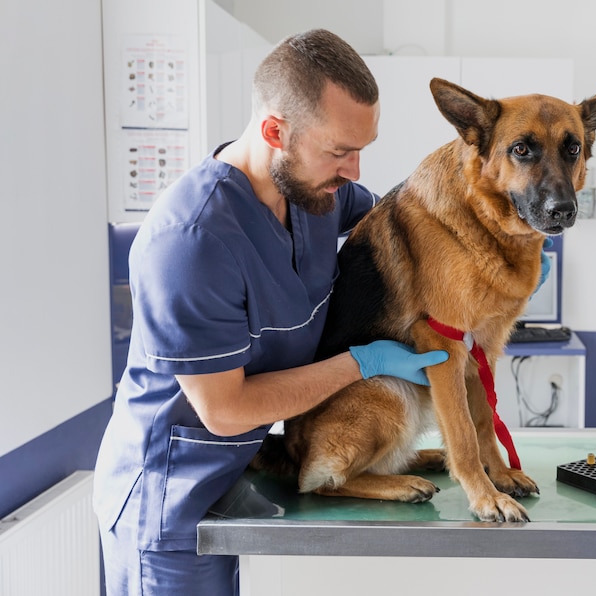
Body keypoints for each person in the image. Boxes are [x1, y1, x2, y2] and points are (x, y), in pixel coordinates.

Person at [93, 29, 450, 596]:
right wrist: (362, 364)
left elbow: (397, 222)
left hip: (244, 476)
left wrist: (493, 258)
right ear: (274, 132)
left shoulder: (315, 196)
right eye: (339, 151)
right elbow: (227, 411)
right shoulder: (189, 242)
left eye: (363, 149)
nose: (355, 170)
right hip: (169, 504)